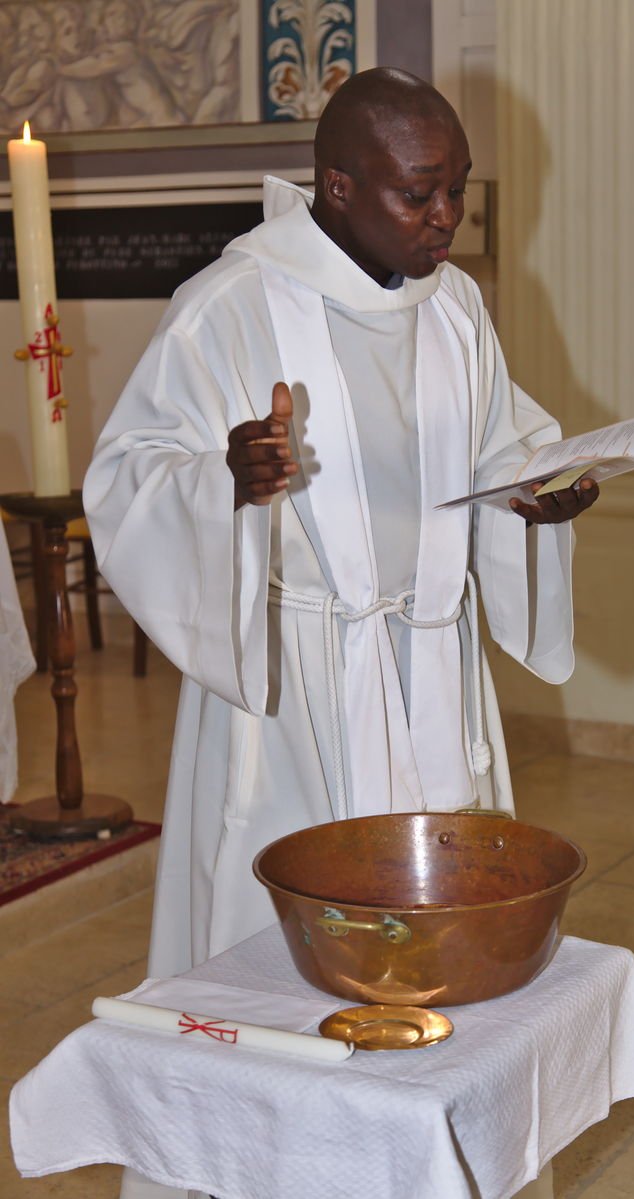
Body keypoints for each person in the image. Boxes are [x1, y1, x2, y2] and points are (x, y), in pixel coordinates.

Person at [85, 67, 598, 985]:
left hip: (431, 661)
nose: (446, 215)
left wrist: (536, 493)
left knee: (447, 931)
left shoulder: (454, 305)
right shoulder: (230, 304)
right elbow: (129, 476)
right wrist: (226, 480)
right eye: (419, 193)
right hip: (299, 676)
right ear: (338, 186)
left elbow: (499, 446)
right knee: (284, 956)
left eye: (457, 187)